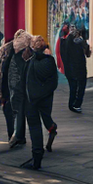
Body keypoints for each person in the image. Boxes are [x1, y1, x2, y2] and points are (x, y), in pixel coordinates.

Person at [21, 35, 59, 169]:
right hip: (45, 98)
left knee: (34, 127)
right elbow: (54, 82)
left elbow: (25, 81)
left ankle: (37, 157)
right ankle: (51, 128)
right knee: (46, 117)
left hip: (31, 100)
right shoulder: (50, 61)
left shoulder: (30, 62)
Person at [0, 32, 27, 142]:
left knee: (12, 112)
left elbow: (2, 73)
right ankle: (17, 135)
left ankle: (14, 135)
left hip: (12, 89)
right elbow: (3, 73)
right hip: (14, 89)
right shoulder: (14, 54)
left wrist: (0, 93)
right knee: (17, 112)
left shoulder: (10, 53)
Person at [58, 24, 92, 113]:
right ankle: (76, 104)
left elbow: (62, 54)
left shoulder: (63, 41)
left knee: (73, 87)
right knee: (80, 87)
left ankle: (72, 104)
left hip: (69, 69)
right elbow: (88, 53)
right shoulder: (80, 41)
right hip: (79, 68)